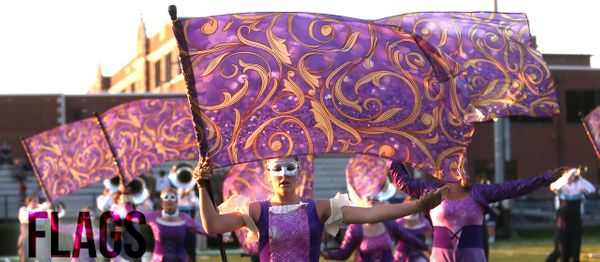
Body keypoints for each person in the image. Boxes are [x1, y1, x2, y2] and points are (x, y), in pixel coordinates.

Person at [194, 156, 444, 261]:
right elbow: (213, 225)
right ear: (268, 175)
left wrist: (419, 204)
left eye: (290, 167)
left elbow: (370, 213)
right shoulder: (257, 211)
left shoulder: (319, 208)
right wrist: (202, 185)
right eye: (277, 169)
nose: (284, 174)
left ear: (299, 172)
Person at [389, 161, 566, 262]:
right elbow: (402, 182)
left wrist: (547, 177)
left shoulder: (478, 192)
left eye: (461, 163)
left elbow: (515, 188)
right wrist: (393, 153)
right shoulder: (430, 191)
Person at [122, 187, 211, 262]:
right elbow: (133, 216)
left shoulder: (184, 218)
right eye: (166, 197)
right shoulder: (154, 216)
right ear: (161, 202)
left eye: (172, 197)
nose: (169, 200)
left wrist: (222, 234)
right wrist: (126, 199)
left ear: (176, 202)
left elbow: (203, 230)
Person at [546, 167, 597, 262]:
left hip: (575, 221)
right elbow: (553, 187)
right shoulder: (561, 185)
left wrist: (579, 175)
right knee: (561, 250)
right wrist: (568, 175)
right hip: (563, 221)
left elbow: (591, 189)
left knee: (575, 249)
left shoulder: (578, 186)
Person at [18, 194, 50, 262]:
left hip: (40, 241)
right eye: (35, 201)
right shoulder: (23, 210)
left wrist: (49, 205)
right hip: (26, 241)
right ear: (29, 201)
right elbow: (27, 216)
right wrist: (44, 207)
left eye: (37, 201)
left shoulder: (41, 212)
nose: (37, 203)